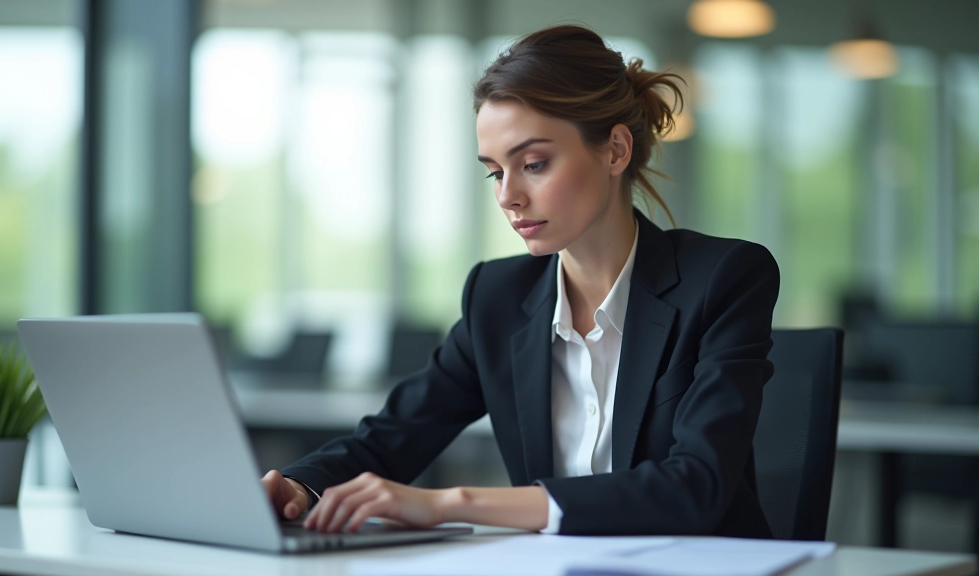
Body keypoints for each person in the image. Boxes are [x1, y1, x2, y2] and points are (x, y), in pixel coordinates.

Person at [261, 24, 779, 537]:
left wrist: (452, 503)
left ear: (616, 151)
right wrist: (299, 487)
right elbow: (393, 436)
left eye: (533, 163)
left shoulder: (724, 279)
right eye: (494, 171)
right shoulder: (498, 298)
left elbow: (696, 486)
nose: (508, 195)